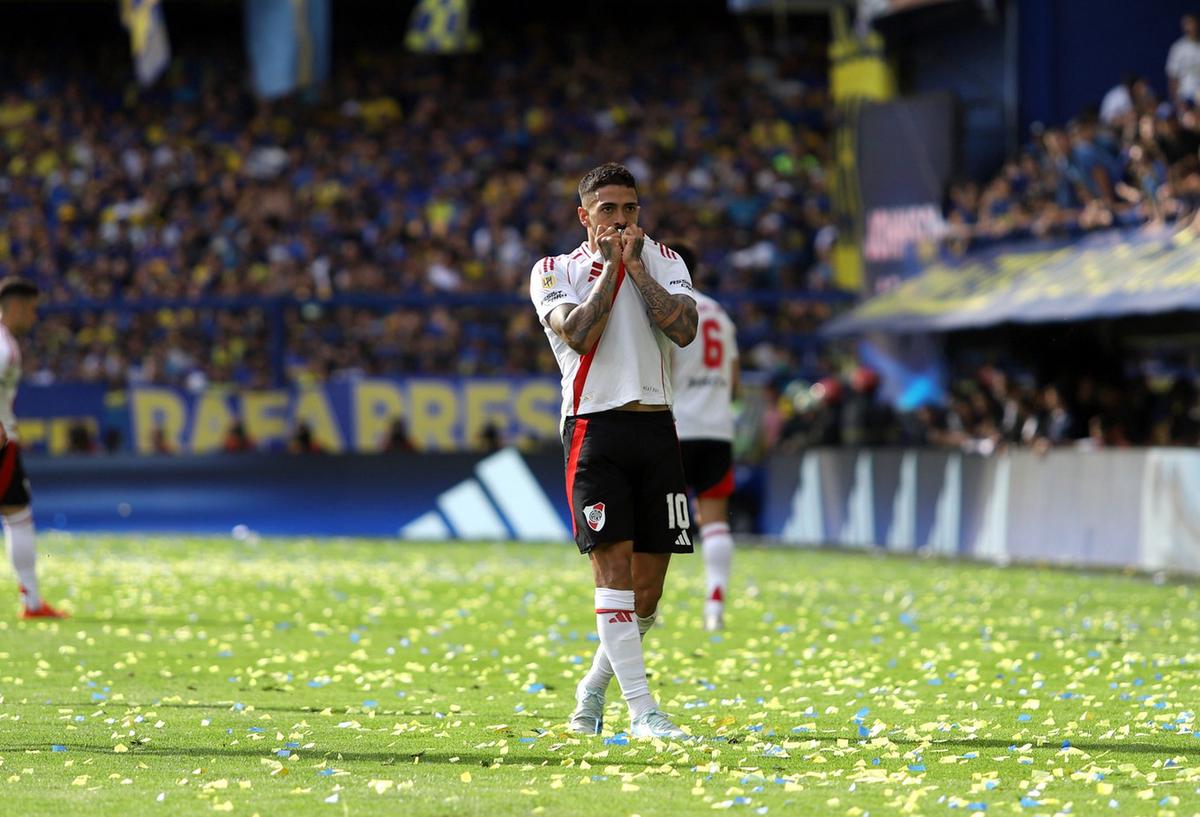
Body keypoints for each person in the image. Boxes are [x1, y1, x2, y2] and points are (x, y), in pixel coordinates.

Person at [529, 162, 698, 739]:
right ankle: (643, 710)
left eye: (630, 209)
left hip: (657, 430)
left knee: (647, 593)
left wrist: (637, 270)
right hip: (593, 430)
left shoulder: (667, 260)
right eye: (609, 210)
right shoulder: (554, 270)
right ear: (584, 216)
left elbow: (683, 329)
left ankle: (591, 690)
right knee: (614, 573)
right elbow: (576, 333)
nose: (622, 220)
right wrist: (610, 270)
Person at [666, 245, 739, 632]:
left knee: (654, 520)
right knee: (714, 522)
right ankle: (714, 605)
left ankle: (647, 608)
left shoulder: (670, 310)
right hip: (717, 428)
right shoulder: (721, 315)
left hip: (676, 427)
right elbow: (736, 379)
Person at [0, 278, 67, 619]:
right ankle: (32, 602)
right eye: (32, 308)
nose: (35, 316)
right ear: (15, 306)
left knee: (17, 514)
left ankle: (33, 602)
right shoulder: (3, 346)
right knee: (18, 517)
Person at [1168, 14, 1200, 104]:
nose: (1191, 27)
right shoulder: (1178, 48)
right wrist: (1176, 102)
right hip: (1185, 95)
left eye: (1193, 24)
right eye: (1187, 24)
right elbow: (1172, 77)